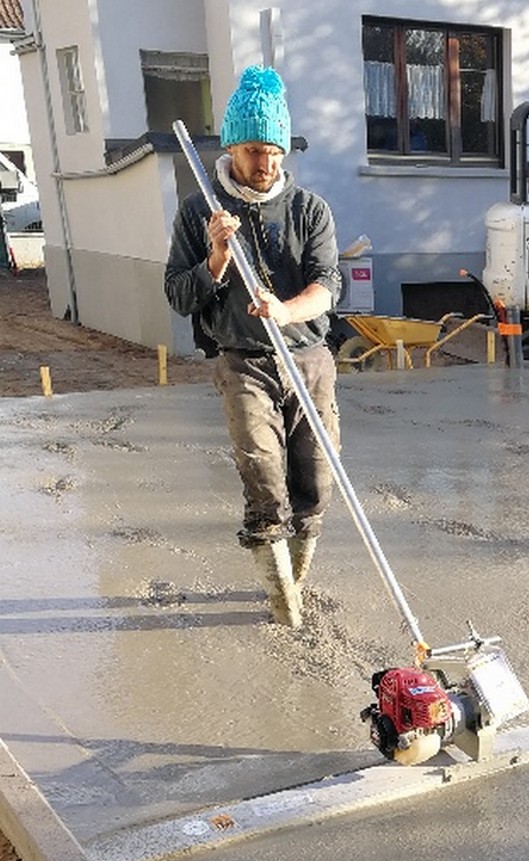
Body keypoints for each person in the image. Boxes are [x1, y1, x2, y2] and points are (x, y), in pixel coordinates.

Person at [165, 66, 342, 628]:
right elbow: (177, 292)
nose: (261, 164)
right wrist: (216, 259)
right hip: (242, 362)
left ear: (284, 149)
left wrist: (287, 310)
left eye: (271, 150)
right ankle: (281, 603)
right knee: (263, 473)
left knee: (315, 476)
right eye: (249, 150)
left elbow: (328, 284)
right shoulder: (201, 212)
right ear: (231, 148)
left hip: (309, 359)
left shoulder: (309, 209)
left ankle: (298, 573)